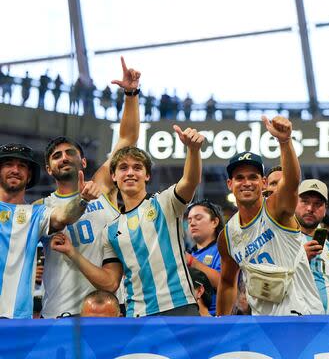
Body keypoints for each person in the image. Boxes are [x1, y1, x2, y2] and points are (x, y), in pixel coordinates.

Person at [51, 125, 206, 317]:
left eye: (137, 167)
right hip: (138, 315)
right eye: (123, 168)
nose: (130, 172)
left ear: (147, 175)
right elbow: (110, 282)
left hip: (180, 307)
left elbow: (190, 181)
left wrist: (193, 150)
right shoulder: (110, 230)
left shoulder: (165, 202)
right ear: (114, 176)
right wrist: (72, 253)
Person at [40, 57, 141, 318]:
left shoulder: (102, 183)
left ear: (82, 161)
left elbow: (127, 138)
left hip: (107, 312)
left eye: (69, 153)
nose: (64, 157)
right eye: (56, 156)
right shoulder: (41, 208)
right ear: (49, 169)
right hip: (59, 312)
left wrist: (130, 94)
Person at [216, 117, 323, 316]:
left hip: (303, 317)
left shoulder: (275, 208)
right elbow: (227, 281)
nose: (246, 182)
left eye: (253, 177)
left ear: (264, 183)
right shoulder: (227, 235)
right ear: (230, 184)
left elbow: (291, 182)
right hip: (263, 325)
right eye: (239, 178)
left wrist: (285, 142)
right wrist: (220, 324)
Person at [0, 143, 101, 318]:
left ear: (29, 174)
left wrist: (83, 199)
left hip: (16, 318)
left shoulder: (35, 214)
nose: (15, 169)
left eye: (22, 166)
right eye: (8, 164)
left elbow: (63, 217)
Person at [296, 179, 329, 314]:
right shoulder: (281, 241)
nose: (310, 209)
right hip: (291, 323)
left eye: (317, 204)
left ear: (325, 209)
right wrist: (301, 256)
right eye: (305, 201)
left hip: (325, 325)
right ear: (294, 203)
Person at [185, 200, 223, 316]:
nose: (192, 223)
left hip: (215, 318)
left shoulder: (223, 250)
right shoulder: (190, 253)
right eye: (189, 220)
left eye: (198, 218)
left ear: (214, 222)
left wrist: (191, 262)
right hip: (189, 317)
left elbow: (224, 282)